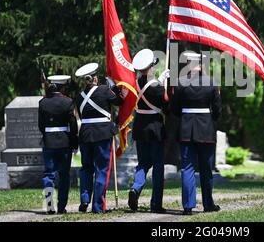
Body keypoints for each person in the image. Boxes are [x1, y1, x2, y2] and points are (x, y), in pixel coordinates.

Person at [171, 51, 222, 215]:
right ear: (201, 65)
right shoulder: (212, 83)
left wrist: (185, 116)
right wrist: (210, 119)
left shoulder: (180, 83)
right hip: (206, 130)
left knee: (187, 168)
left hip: (186, 129)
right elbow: (217, 110)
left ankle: (188, 206)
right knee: (206, 169)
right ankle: (208, 204)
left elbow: (175, 109)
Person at [74, 63, 123, 213]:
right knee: (102, 169)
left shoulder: (79, 96)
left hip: (86, 135)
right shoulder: (104, 90)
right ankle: (98, 206)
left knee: (86, 169)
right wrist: (114, 87)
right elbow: (119, 101)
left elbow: (82, 117)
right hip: (102, 134)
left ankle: (85, 198)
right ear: (95, 78)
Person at [128, 49, 170, 213]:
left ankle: (136, 188)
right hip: (155, 129)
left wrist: (159, 82)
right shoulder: (158, 88)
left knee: (143, 163)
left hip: (140, 128)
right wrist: (162, 85)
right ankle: (156, 204)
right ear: (151, 67)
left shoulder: (135, 83)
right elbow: (167, 108)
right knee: (158, 166)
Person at [38, 75, 78, 214]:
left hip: (49, 142)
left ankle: (49, 204)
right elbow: (72, 123)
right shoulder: (68, 101)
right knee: (64, 175)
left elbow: (41, 125)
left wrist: (47, 136)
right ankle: (61, 207)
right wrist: (74, 141)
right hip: (64, 142)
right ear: (63, 86)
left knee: (49, 174)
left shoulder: (43, 102)